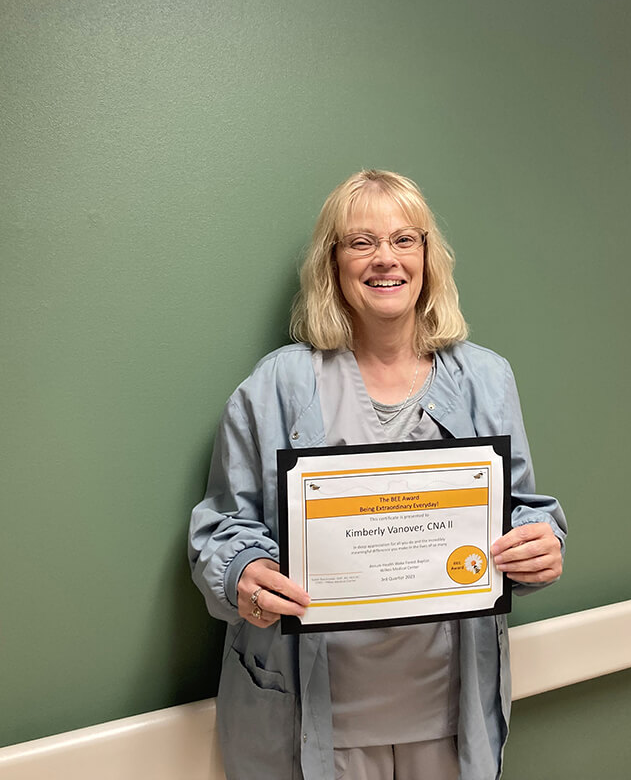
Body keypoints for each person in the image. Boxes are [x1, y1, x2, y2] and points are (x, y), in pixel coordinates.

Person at [189, 169, 567, 780]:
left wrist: (541, 543)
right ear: (332, 264)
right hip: (311, 721)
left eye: (403, 240)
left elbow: (524, 509)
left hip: (447, 719)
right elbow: (220, 530)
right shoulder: (278, 386)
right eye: (360, 242)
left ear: (427, 257)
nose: (385, 259)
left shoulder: (486, 380)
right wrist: (245, 577)